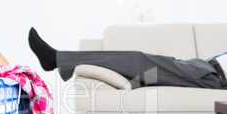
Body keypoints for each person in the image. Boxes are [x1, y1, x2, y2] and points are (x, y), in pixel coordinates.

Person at [27, 27, 227, 90]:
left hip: (214, 77)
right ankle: (133, 84)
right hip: (205, 66)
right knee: (146, 68)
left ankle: (55, 59)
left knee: (139, 61)